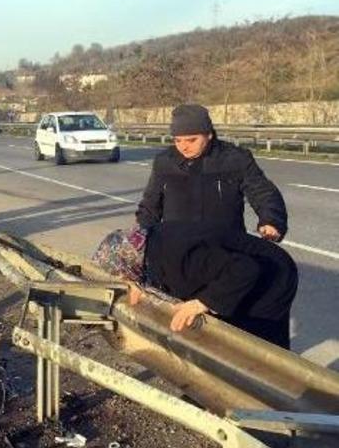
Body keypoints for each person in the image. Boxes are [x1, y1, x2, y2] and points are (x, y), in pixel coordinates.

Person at [93, 222, 298, 348]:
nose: (125, 282)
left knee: (258, 344)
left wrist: (203, 302)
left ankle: (274, 403)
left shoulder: (177, 257)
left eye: (122, 276)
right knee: (228, 337)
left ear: (127, 262)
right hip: (240, 274)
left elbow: (245, 268)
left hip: (272, 276)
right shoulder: (146, 248)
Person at [136, 104, 288, 242]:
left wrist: (271, 221)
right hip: (177, 249)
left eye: (191, 140)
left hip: (226, 247)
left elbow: (262, 192)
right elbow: (150, 205)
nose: (183, 147)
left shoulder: (235, 159)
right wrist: (143, 235)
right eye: (178, 141)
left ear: (208, 135)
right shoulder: (164, 162)